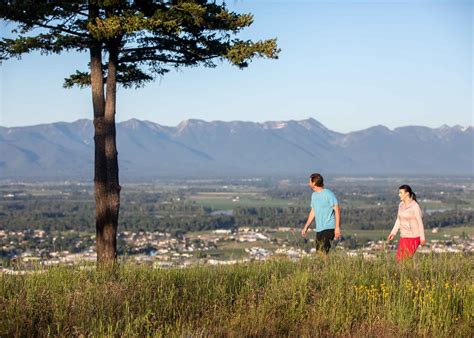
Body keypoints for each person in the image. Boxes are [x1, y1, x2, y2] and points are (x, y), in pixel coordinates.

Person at [301, 173, 341, 253]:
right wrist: (306, 227)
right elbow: (313, 212)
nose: (308, 183)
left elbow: (337, 210)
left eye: (310, 181)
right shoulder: (314, 195)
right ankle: (324, 265)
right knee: (319, 252)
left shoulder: (328, 194)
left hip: (329, 227)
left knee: (323, 252)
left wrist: (337, 227)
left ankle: (325, 265)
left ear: (314, 183)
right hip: (319, 228)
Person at [387, 184, 426, 261]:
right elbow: (399, 220)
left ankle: (410, 273)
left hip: (414, 237)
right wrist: (393, 233)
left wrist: (422, 238)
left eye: (401, 193)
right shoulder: (401, 205)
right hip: (403, 236)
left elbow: (420, 222)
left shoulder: (415, 206)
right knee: (399, 260)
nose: (399, 195)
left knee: (405, 260)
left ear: (407, 193)